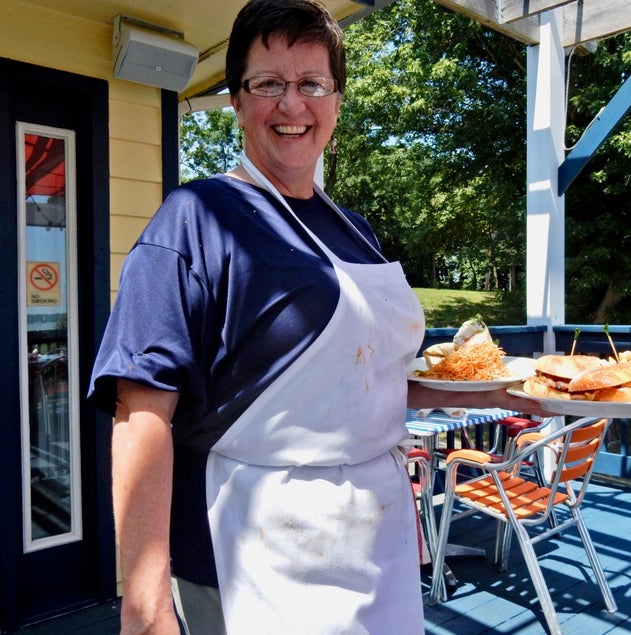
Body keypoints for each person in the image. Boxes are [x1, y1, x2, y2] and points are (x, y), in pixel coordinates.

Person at [89, 1, 544, 633]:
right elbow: (142, 409)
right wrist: (144, 602)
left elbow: (369, 379)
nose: (291, 105)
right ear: (238, 100)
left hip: (372, 537)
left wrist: (511, 389)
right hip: (252, 548)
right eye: (268, 84)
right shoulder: (196, 219)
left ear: (336, 100)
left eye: (312, 84)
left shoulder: (355, 230)